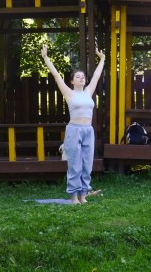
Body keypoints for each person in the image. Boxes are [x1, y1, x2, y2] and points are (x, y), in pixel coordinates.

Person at [41, 45, 105, 204]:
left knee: (87, 164)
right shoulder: (69, 93)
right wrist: (45, 58)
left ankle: (83, 196)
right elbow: (56, 75)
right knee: (75, 164)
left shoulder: (89, 92)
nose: (82, 78)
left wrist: (102, 58)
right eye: (78, 76)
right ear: (72, 81)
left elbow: (96, 75)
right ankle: (74, 197)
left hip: (88, 131)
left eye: (83, 76)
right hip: (74, 130)